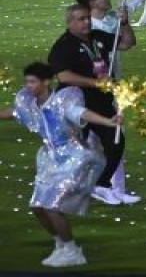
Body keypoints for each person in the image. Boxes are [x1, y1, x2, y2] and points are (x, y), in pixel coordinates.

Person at [0, 62, 121, 268]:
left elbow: (82, 113)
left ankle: (73, 251)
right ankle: (61, 245)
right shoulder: (29, 104)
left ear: (46, 82)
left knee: (52, 206)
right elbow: (11, 112)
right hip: (50, 159)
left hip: (73, 157)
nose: (28, 86)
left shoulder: (63, 101)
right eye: (27, 82)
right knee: (37, 207)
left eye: (32, 82)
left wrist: (108, 121)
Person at [46, 4, 136, 206]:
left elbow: (127, 43)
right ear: (69, 23)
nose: (86, 22)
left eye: (87, 17)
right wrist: (96, 83)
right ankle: (61, 192)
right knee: (78, 152)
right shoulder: (63, 46)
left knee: (115, 143)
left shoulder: (97, 36)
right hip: (78, 103)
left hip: (102, 101)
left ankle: (101, 186)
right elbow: (63, 76)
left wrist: (125, 23)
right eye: (80, 19)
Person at [73, 0, 146, 201]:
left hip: (114, 86)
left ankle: (116, 188)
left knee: (116, 138)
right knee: (89, 140)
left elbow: (129, 43)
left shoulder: (112, 18)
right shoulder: (86, 26)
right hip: (90, 89)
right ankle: (88, 185)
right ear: (92, 2)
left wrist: (125, 21)